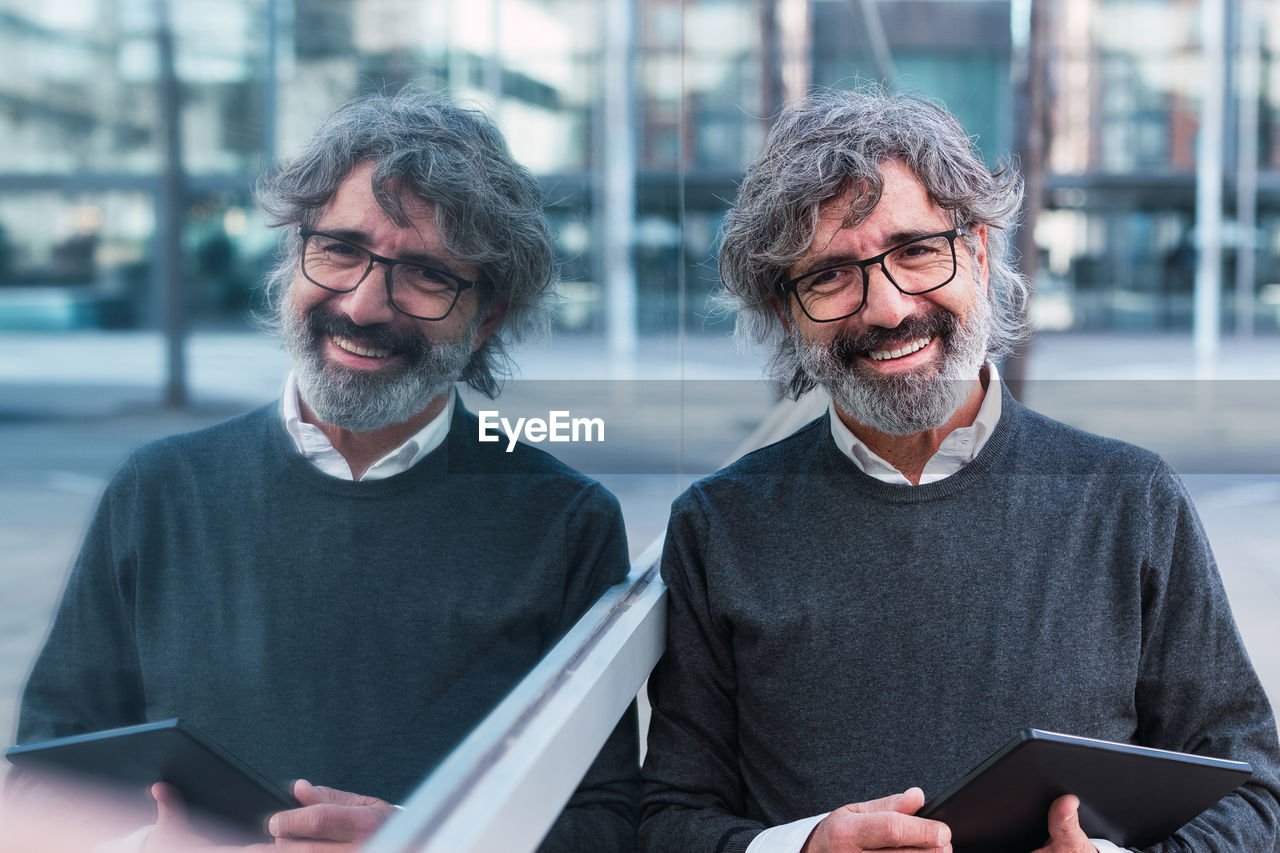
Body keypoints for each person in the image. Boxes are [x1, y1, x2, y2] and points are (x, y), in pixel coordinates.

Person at [639, 88, 1280, 853]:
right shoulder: (719, 527)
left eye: (914, 249)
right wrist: (801, 849)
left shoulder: (1128, 499)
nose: (886, 307)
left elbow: (1253, 790)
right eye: (831, 276)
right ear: (787, 314)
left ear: (977, 252)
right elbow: (670, 818)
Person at [11, 89, 636, 851]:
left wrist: (434, 840)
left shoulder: (566, 523)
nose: (366, 303)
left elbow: (610, 824)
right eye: (340, 248)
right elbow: (42, 784)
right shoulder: (159, 490)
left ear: (488, 317)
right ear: (295, 248)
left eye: (425, 275)